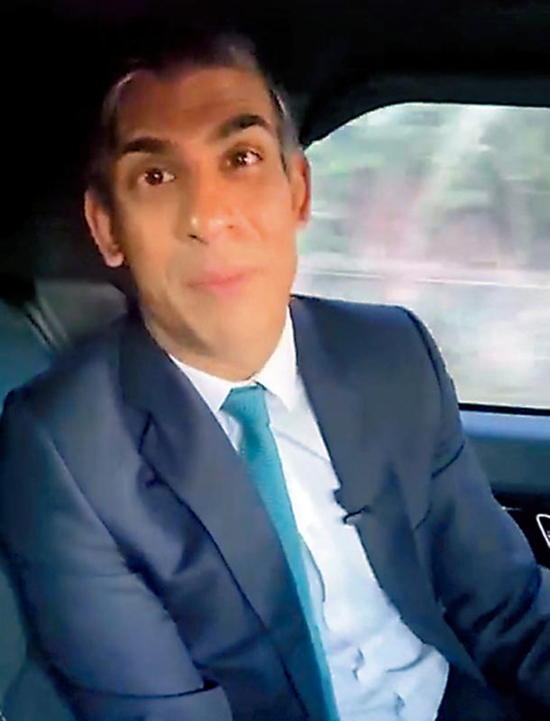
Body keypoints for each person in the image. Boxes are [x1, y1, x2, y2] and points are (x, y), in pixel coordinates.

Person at [0, 28, 549, 721]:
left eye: (242, 158)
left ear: (298, 192)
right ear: (108, 227)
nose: (208, 217)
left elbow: (507, 606)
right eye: (157, 176)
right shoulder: (63, 447)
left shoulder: (390, 352)